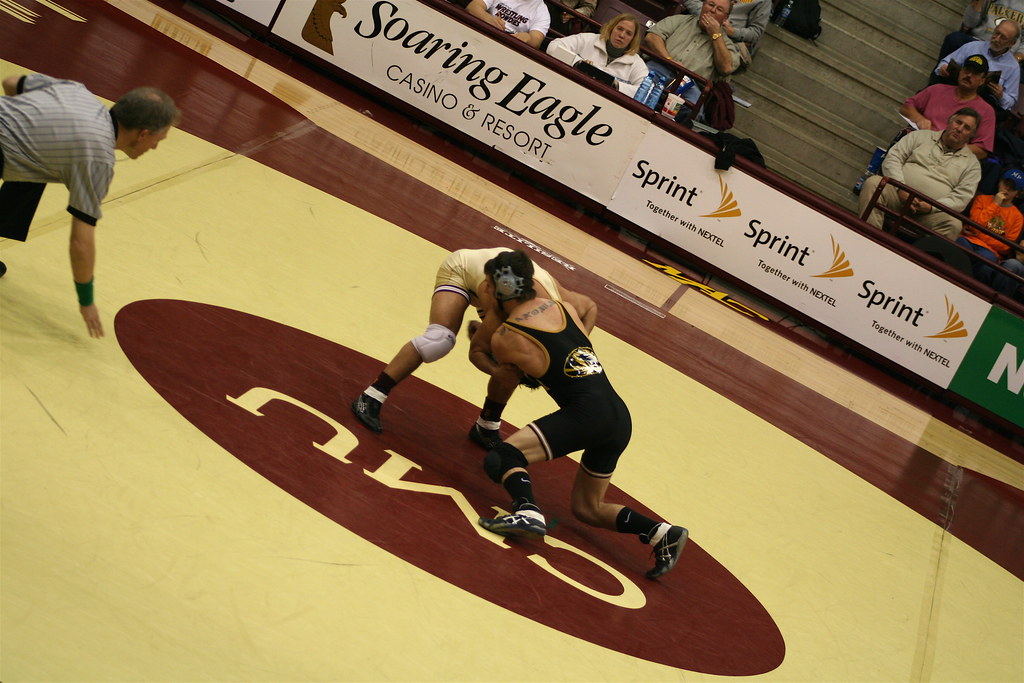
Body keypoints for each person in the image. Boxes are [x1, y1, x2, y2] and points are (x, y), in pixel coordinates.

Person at [472, 250, 687, 580]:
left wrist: (481, 335)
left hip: (587, 414)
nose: (484, 289)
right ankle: (661, 533)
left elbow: (517, 376)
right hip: (617, 415)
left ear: (499, 288)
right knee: (588, 509)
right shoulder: (565, 308)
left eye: (487, 284)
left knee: (501, 458)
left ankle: (527, 512)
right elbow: (578, 327)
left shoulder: (508, 336)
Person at [351, 247, 597, 450]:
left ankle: (487, 425)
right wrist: (494, 367)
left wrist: (582, 339)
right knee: (440, 339)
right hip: (463, 269)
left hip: (506, 282)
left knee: (513, 361)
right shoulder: (500, 300)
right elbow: (476, 351)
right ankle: (372, 395)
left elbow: (590, 307)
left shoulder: (560, 307)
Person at [0, 74, 179, 338]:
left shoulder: (76, 91)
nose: (154, 148)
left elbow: (11, 82)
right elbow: (80, 242)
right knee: (33, 165)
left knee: (34, 171)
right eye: (157, 140)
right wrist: (86, 301)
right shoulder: (98, 160)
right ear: (143, 134)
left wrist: (22, 128)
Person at [858, 108, 982, 240]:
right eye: (958, 122)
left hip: (929, 213)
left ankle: (912, 259)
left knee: (953, 225)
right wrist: (900, 188)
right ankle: (870, 240)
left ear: (971, 135)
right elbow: (893, 158)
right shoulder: (920, 136)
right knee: (874, 183)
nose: (959, 129)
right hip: (897, 196)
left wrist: (931, 207)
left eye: (967, 128)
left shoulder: (972, 165)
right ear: (950, 121)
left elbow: (961, 197)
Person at [643, 0, 740, 104]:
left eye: (719, 9)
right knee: (641, 78)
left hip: (689, 85)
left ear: (725, 18)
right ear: (703, 5)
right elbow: (652, 37)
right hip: (660, 68)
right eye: (710, 5)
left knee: (691, 106)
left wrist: (716, 35)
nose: (712, 10)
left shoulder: (727, 44)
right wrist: (669, 60)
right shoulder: (680, 20)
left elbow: (726, 68)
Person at [902, 53, 997, 159]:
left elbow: (982, 151)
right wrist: (919, 118)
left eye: (975, 74)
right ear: (960, 71)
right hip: (919, 144)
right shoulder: (937, 89)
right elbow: (906, 107)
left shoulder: (986, 111)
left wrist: (952, 147)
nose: (969, 75)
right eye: (966, 70)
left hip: (949, 158)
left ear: (982, 81)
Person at [545, 13, 648, 97]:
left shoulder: (636, 62)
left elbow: (646, 92)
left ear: (633, 39)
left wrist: (616, 85)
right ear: (611, 28)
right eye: (619, 29)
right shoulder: (589, 39)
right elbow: (553, 46)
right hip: (569, 89)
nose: (622, 35)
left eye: (628, 33)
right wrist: (577, 62)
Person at [934, 19, 1022, 112]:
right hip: (956, 92)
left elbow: (1011, 101)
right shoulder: (973, 46)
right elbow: (945, 63)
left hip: (980, 107)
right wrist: (943, 68)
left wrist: (1001, 95)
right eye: (996, 33)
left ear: (1012, 43)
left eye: (1003, 37)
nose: (996, 39)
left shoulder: (1013, 67)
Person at [956, 168, 1024, 285]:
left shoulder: (1018, 217)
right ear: (1000, 181)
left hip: (990, 251)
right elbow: (975, 223)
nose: (1007, 188)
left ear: (1018, 193)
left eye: (1012, 188)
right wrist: (995, 204)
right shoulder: (982, 200)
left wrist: (979, 233)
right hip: (968, 240)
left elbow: (1005, 246)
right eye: (1006, 183)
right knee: (959, 243)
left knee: (988, 264)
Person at [684, 0, 769, 68]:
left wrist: (733, 32)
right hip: (696, 25)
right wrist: (707, 14)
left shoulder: (763, 2)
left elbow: (756, 33)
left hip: (728, 40)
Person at [936, 1, 1024, 66]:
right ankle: (934, 86)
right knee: (954, 39)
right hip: (977, 42)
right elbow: (968, 23)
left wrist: (1015, 59)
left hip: (1005, 53)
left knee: (1017, 72)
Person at [466, 0, 551, 48]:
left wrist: (527, 38)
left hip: (509, 47)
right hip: (480, 34)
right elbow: (472, 7)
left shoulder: (542, 12)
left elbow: (536, 41)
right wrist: (487, 18)